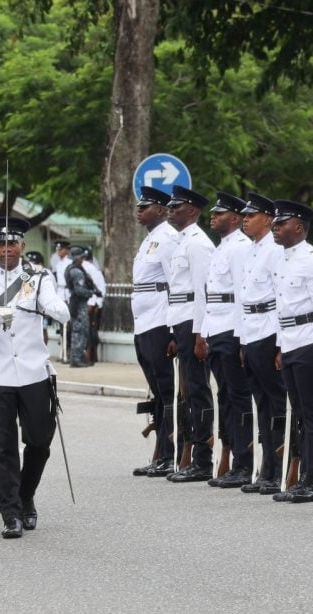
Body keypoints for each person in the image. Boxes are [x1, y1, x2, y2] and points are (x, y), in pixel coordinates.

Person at [0, 216, 69, 538]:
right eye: (0, 243)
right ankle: (11, 513)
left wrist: (47, 306)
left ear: (23, 246)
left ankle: (26, 495)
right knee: (3, 446)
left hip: (33, 371)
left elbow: (61, 312)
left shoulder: (38, 279)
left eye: (12, 243)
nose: (6, 248)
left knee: (39, 441)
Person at [271, 200, 313, 503]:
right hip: (292, 340)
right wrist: (281, 346)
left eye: (281, 223)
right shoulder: (282, 260)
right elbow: (283, 308)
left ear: (298, 226)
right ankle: (302, 475)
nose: (275, 227)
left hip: (311, 342)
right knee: (298, 412)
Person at [201, 192, 255, 488]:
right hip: (217, 329)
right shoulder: (222, 248)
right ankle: (234, 455)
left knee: (238, 396)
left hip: (232, 330)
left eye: (219, 213)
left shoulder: (240, 249)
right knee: (225, 396)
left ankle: (244, 463)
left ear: (234, 218)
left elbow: (241, 296)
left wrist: (240, 336)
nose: (213, 216)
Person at [164, 185, 217, 483]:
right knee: (188, 391)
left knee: (198, 390)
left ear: (193, 211)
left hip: (193, 322)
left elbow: (202, 293)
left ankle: (203, 458)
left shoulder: (197, 243)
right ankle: (194, 454)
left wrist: (199, 334)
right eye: (170, 206)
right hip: (181, 321)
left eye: (177, 206)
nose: (171, 210)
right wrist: (175, 332)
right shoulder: (183, 242)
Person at [237, 193, 289, 494]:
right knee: (262, 403)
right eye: (244, 214)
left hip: (269, 329)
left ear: (267, 220)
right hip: (252, 329)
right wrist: (243, 341)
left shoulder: (274, 250)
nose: (245, 218)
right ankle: (266, 466)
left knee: (276, 403)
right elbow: (245, 299)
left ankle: (279, 467)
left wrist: (280, 344)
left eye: (252, 215)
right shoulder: (252, 250)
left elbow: (281, 299)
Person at [130, 186, 180, 477]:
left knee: (167, 390)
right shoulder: (150, 239)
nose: (139, 211)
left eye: (145, 207)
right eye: (139, 206)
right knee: (158, 392)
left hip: (161, 321)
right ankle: (161, 453)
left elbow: (176, 285)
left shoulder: (168, 239)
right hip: (144, 321)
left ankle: (171, 452)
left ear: (161, 210)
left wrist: (173, 331)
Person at [63, 246, 96, 367]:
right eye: (81, 257)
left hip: (75, 302)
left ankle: (78, 357)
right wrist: (92, 293)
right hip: (79, 303)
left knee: (79, 330)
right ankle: (76, 359)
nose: (82, 259)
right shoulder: (76, 271)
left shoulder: (71, 268)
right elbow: (79, 290)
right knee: (79, 330)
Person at [82, 248, 106, 363]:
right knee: (89, 331)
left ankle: (91, 356)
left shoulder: (88, 269)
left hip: (91, 305)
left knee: (90, 332)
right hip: (91, 304)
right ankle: (89, 356)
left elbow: (98, 289)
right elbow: (101, 289)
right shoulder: (93, 269)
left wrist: (95, 305)